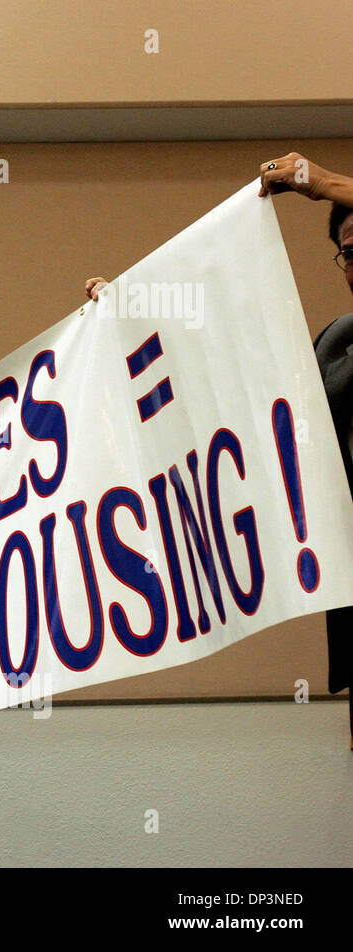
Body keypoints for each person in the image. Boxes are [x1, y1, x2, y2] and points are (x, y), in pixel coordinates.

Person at [86, 152, 353, 746]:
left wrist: (323, 183)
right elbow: (238, 391)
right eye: (351, 252)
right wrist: (130, 317)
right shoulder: (337, 344)